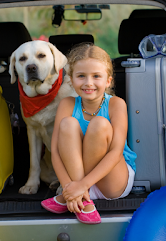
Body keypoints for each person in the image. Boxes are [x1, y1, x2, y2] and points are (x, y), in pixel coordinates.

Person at [41, 43, 137, 224]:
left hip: (112, 179)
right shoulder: (67, 104)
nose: (88, 83)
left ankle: (75, 196)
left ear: (108, 81)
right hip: (76, 181)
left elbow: (116, 152)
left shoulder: (116, 104)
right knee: (68, 124)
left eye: (96, 76)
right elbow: (55, 150)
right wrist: (69, 187)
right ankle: (83, 201)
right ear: (71, 79)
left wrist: (78, 187)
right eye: (81, 76)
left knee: (99, 124)